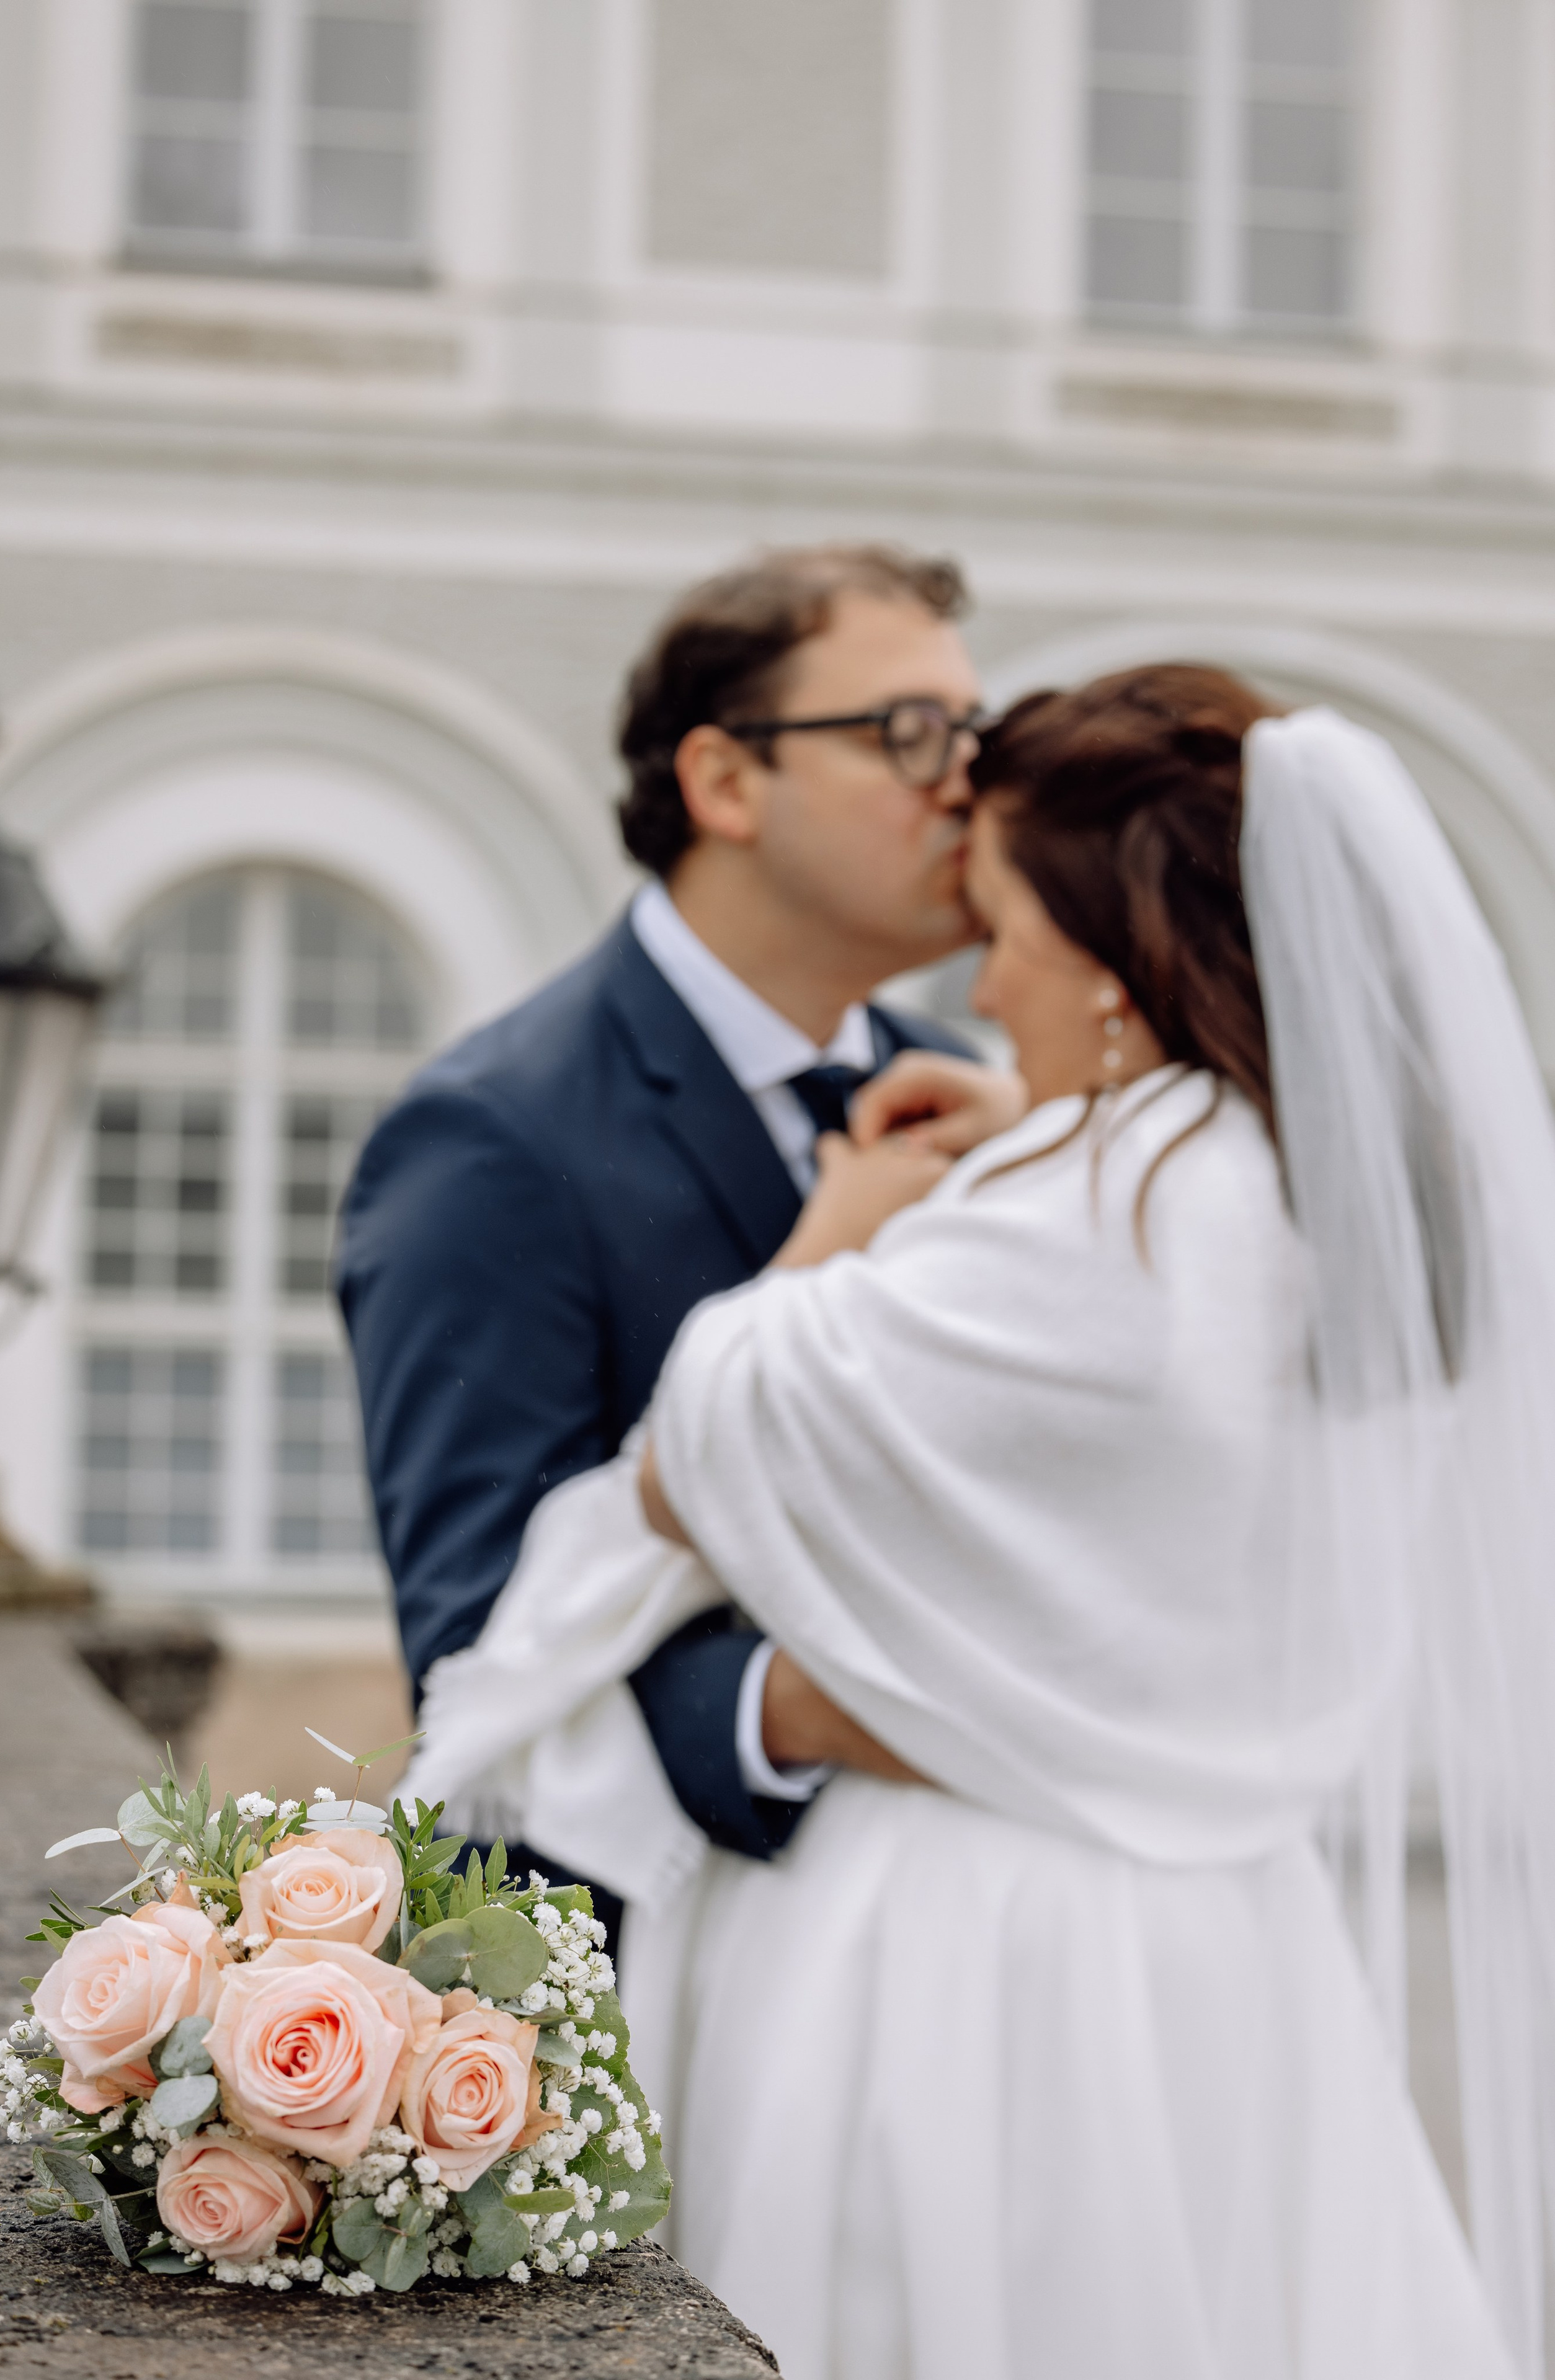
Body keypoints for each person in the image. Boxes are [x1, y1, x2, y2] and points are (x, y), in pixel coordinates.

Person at [408, 665, 1553, 2378]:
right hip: (1226, 1941)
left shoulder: (1094, 1211)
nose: (982, 972)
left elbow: (700, 1437)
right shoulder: (1293, 1186)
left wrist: (842, 1225)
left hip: (979, 1947)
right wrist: (1034, 1130)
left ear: (1111, 957)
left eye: (1007, 922)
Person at [336, 544, 981, 1922]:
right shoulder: (492, 1137)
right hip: (681, 1959)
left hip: (990, 1924)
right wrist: (871, 1706)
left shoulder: (976, 1086)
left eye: (973, 732)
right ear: (724, 780)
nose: (964, 781)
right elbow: (483, 1648)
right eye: (906, 733)